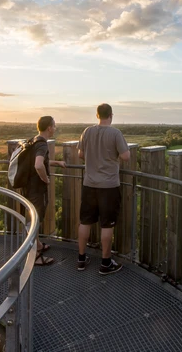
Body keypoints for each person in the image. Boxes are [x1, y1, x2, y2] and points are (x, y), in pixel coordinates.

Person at [77, 103, 130, 274]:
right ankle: (106, 263)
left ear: (97, 115)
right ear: (111, 115)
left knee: (85, 221)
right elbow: (125, 156)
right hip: (108, 186)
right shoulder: (115, 133)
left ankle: (81, 259)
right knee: (107, 225)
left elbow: (80, 154)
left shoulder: (87, 131)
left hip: (89, 184)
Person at [26, 116, 66, 266]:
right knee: (35, 220)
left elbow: (40, 161)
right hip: (37, 188)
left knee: (33, 218)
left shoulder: (34, 140)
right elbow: (38, 165)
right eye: (54, 126)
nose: (55, 128)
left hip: (29, 187)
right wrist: (46, 180)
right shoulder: (42, 144)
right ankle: (35, 256)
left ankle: (38, 245)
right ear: (49, 128)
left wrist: (56, 162)